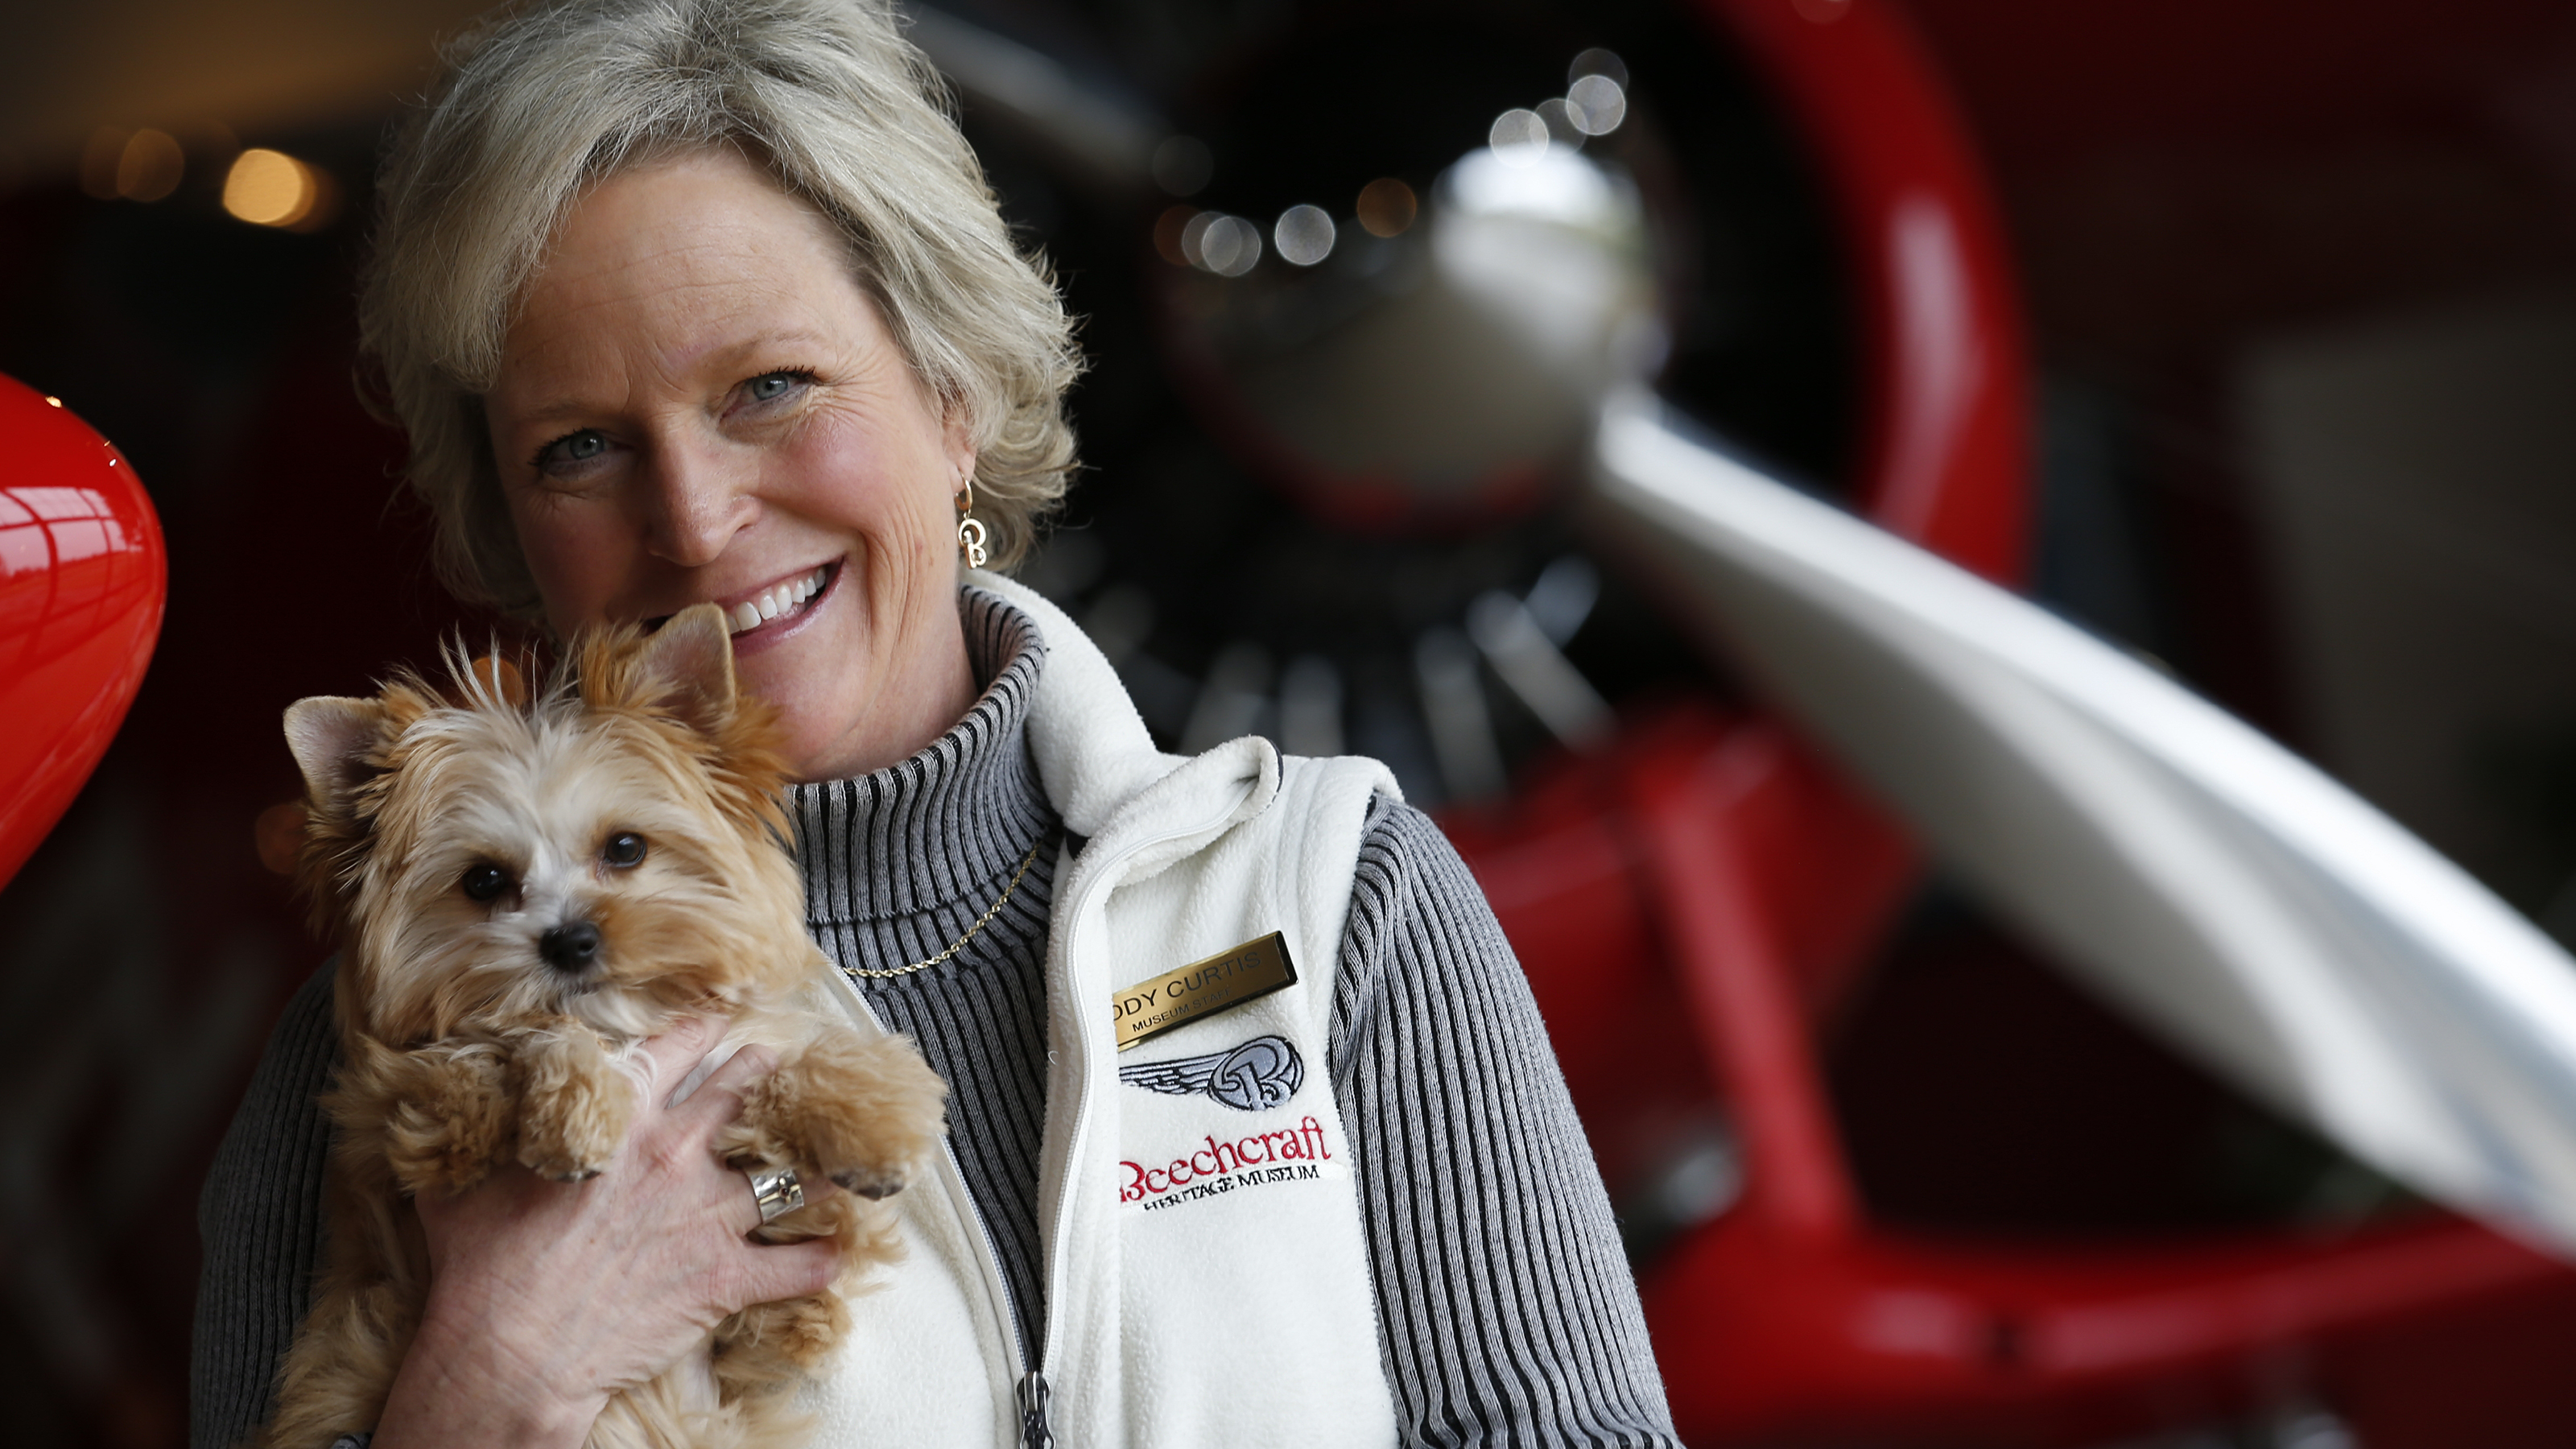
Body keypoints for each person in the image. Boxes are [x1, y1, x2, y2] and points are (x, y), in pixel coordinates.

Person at [193, 1, 1680, 1444]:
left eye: (770, 387)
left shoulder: (1331, 899)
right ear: (517, 528)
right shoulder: (385, 1051)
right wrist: (498, 1376)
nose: (700, 521)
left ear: (954, 393)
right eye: (579, 447)